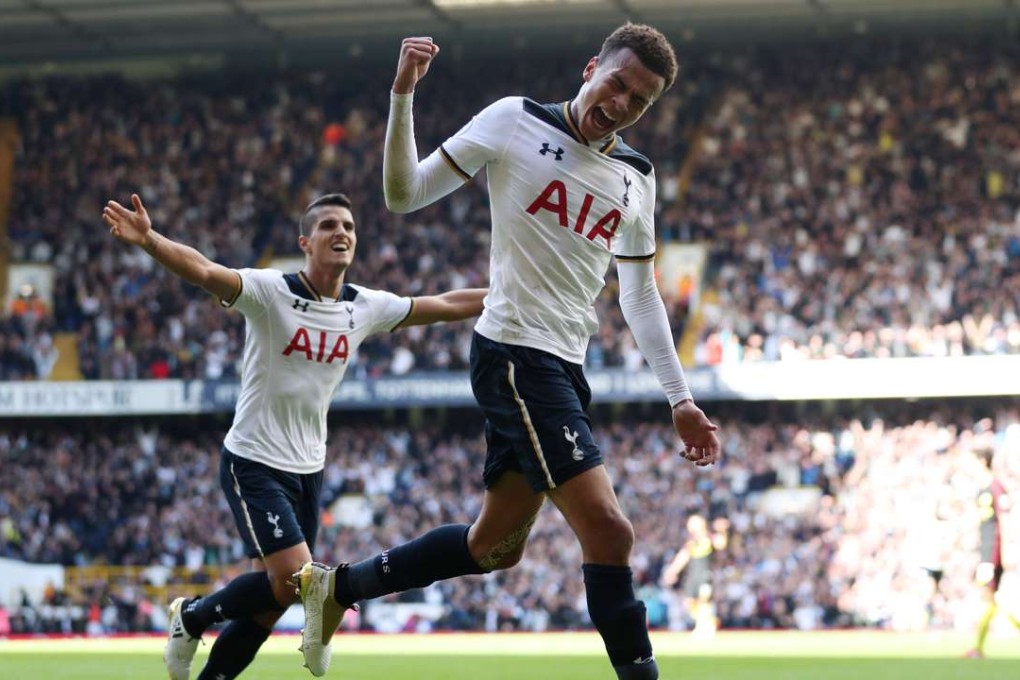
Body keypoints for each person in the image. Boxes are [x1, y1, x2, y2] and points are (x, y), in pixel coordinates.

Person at [297, 23, 720, 680]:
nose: (620, 104)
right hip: (515, 355)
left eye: (639, 101)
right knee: (611, 531)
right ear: (591, 68)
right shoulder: (513, 121)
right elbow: (404, 194)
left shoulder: (636, 177)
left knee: (492, 547)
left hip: (565, 367)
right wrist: (403, 95)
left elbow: (639, 296)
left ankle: (339, 587)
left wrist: (681, 398)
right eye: (617, 83)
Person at [101, 192, 486, 680]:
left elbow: (444, 304)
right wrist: (149, 239)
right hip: (254, 460)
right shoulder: (270, 292)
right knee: (298, 582)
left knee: (273, 598)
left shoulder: (363, 306)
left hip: (309, 468)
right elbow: (202, 270)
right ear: (306, 242)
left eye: (347, 225)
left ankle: (203, 651)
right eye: (327, 225)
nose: (341, 232)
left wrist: (507, 296)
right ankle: (191, 616)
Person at [965, 446, 1019, 658]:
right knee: (992, 599)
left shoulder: (996, 488)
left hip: (993, 552)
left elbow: (1004, 521)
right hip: (986, 551)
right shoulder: (983, 489)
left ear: (980, 461)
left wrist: (1005, 549)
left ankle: (977, 648)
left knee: (992, 598)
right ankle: (977, 648)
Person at [660, 515, 728, 636]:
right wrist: (672, 571)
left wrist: (722, 530)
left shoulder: (709, 537)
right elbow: (683, 557)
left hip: (705, 573)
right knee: (689, 602)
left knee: (704, 600)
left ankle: (705, 626)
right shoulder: (691, 541)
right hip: (693, 575)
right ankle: (704, 623)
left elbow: (721, 544)